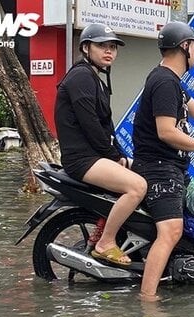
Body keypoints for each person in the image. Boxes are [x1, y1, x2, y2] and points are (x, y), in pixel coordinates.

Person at [132, 21, 194, 302]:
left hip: (171, 168)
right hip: (159, 170)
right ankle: (148, 301)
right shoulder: (164, 81)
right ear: (185, 47)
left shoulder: (171, 81)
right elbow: (166, 132)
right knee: (171, 231)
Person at [55, 23, 147, 266]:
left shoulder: (94, 78)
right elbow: (91, 126)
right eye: (101, 46)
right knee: (137, 187)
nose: (109, 51)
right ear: (86, 48)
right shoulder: (81, 77)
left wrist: (123, 155)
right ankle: (106, 242)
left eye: (113, 47)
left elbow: (107, 128)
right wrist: (113, 156)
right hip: (82, 159)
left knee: (142, 173)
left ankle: (111, 234)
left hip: (95, 156)